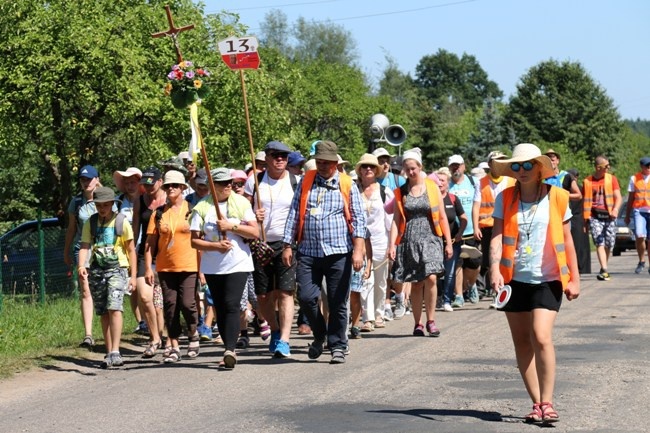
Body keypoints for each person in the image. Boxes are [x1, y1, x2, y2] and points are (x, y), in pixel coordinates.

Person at [489, 142, 580, 424]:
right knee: (521, 342)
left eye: (528, 165)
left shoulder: (558, 197)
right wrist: (493, 269)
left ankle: (549, 401)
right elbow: (495, 235)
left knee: (540, 336)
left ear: (539, 168)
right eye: (516, 166)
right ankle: (537, 403)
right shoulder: (505, 198)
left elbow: (567, 240)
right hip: (514, 280)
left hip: (549, 279)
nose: (522, 170)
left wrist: (574, 278)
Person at [282, 140, 367, 364]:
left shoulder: (347, 184)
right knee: (307, 297)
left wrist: (358, 251)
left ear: (335, 163)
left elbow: (359, 221)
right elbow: (293, 213)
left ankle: (338, 345)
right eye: (319, 162)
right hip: (308, 251)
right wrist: (287, 244)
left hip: (339, 252)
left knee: (338, 301)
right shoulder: (306, 181)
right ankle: (320, 335)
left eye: (326, 163)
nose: (322, 166)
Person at [191, 167, 259, 369]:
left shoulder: (241, 203)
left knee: (231, 304)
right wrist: (215, 246)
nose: (228, 185)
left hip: (238, 263)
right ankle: (227, 347)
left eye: (230, 182)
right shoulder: (202, 207)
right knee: (220, 306)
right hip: (213, 266)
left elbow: (255, 232)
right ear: (213, 186)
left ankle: (230, 349)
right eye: (222, 183)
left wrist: (232, 226)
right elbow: (194, 242)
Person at [388, 149, 453, 337]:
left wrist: (448, 242)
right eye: (407, 169)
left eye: (413, 168)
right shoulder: (401, 191)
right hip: (410, 239)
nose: (411, 172)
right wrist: (392, 244)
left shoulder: (432, 187)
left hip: (432, 237)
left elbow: (441, 216)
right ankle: (418, 323)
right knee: (416, 283)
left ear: (420, 167)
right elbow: (396, 220)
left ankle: (431, 320)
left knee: (431, 277)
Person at [244, 141, 299, 358]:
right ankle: (274, 330)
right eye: (275, 155)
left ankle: (284, 339)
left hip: (286, 244)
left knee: (285, 292)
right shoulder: (254, 181)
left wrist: (292, 243)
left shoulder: (296, 181)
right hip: (260, 243)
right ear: (266, 158)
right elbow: (241, 208)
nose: (280, 159)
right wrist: (251, 215)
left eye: (284, 156)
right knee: (263, 296)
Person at [78, 187, 137, 368]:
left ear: (112, 204)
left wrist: (133, 276)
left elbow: (131, 250)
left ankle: (116, 351)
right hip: (97, 269)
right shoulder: (91, 222)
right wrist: (81, 265)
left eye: (105, 205)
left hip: (117, 269)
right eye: (99, 205)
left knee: (115, 307)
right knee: (103, 311)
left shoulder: (121, 222)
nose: (102, 208)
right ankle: (109, 350)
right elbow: (85, 246)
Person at [145, 170, 199, 363]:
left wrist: (202, 270)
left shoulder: (193, 210)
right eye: (168, 186)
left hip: (189, 264)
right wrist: (148, 268)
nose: (171, 189)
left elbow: (199, 240)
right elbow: (150, 243)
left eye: (175, 186)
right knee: (170, 306)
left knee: (187, 303)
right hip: (165, 267)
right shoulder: (158, 214)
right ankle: (174, 345)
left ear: (183, 188)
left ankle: (193, 334)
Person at [353, 153, 394, 332]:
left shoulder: (384, 191)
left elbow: (392, 220)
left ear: (376, 170)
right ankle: (367, 318)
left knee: (380, 281)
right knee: (365, 280)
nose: (367, 169)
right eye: (364, 167)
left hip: (380, 240)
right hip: (361, 242)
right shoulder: (353, 190)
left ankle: (379, 314)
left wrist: (392, 244)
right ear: (360, 170)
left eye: (371, 167)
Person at [64, 165, 101, 348]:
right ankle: (88, 334)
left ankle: (110, 328)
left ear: (97, 179)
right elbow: (71, 228)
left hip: (103, 248)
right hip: (82, 249)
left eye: (89, 179)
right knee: (85, 290)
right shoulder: (76, 202)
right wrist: (66, 251)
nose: (85, 182)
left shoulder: (106, 198)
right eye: (82, 180)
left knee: (103, 289)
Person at [472, 151, 516, 306]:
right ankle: (496, 292)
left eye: (502, 161)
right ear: (489, 164)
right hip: (488, 226)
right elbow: (476, 205)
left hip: (508, 225)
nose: (499, 164)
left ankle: (507, 289)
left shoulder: (511, 180)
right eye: (496, 161)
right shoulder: (482, 182)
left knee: (509, 258)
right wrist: (475, 225)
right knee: (491, 261)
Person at [135, 167, 166, 357]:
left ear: (160, 182)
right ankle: (154, 338)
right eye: (144, 183)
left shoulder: (168, 201)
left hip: (165, 255)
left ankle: (162, 337)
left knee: (160, 304)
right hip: (144, 254)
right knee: (145, 297)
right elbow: (134, 233)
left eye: (151, 183)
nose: (147, 187)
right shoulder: (139, 201)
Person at [113, 167, 146, 334]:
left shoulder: (146, 200)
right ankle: (141, 321)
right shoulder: (118, 202)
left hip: (144, 246)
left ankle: (151, 318)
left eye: (133, 182)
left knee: (144, 286)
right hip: (126, 248)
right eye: (127, 182)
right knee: (132, 286)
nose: (130, 185)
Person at [582, 155, 623, 281]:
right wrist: (585, 221)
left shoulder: (612, 179)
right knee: (599, 241)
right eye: (606, 166)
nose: (608, 168)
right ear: (598, 167)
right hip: (594, 216)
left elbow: (618, 197)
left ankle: (603, 265)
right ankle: (604, 269)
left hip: (609, 215)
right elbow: (585, 201)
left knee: (609, 243)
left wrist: (616, 209)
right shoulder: (587, 181)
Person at [448, 154, 481, 308]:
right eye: (452, 166)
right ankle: (459, 295)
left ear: (463, 166)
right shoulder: (446, 185)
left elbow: (477, 205)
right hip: (454, 232)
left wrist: (476, 226)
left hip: (471, 231)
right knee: (457, 264)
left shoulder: (473, 182)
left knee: (474, 264)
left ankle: (472, 284)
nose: (455, 168)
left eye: (458, 165)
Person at [435, 167, 467, 312]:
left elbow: (463, 218)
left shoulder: (453, 199)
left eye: (442, 180)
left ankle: (447, 299)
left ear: (448, 183)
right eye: (437, 180)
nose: (440, 183)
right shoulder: (430, 199)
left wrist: (460, 233)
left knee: (450, 271)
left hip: (452, 242)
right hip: (434, 242)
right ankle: (436, 298)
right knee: (434, 273)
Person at [624, 156, 650, 274]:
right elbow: (630, 198)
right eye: (647, 166)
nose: (649, 168)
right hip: (639, 210)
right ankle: (641, 261)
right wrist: (627, 215)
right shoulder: (634, 178)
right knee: (640, 235)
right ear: (642, 167)